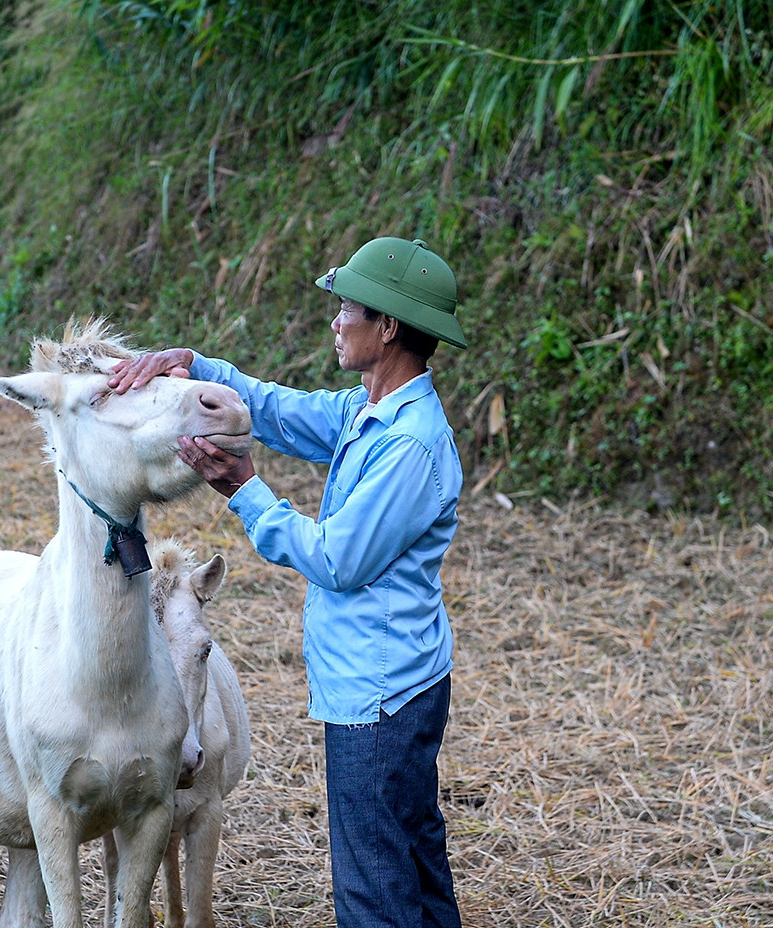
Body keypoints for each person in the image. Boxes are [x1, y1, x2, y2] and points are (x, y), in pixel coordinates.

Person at [109, 236, 467, 928]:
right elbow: (279, 413)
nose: (336, 321)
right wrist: (198, 369)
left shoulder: (408, 444)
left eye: (348, 310)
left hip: (380, 694)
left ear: (387, 328)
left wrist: (244, 490)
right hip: (396, 678)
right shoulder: (371, 411)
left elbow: (337, 560)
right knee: (413, 861)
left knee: (373, 886)